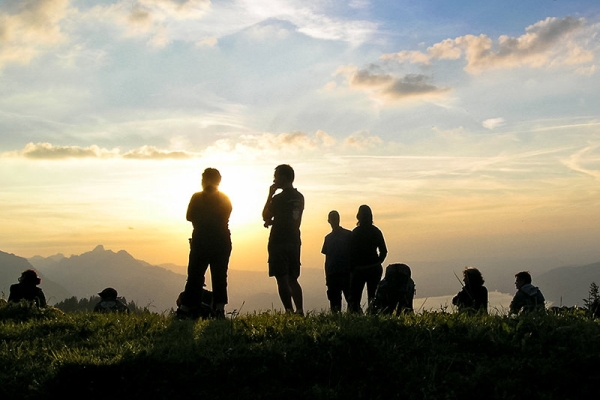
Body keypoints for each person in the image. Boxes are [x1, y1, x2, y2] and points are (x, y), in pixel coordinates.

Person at [178, 167, 232, 319]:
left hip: (201, 240)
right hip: (221, 240)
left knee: (195, 275)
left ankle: (186, 309)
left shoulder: (197, 197)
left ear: (206, 180)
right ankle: (219, 309)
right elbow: (226, 215)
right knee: (220, 275)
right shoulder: (225, 198)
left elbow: (189, 216)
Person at [262, 164, 305, 315]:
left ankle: (289, 311)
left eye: (276, 176)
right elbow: (289, 218)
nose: (274, 179)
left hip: (279, 240)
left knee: (281, 278)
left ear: (284, 177)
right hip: (294, 240)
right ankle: (300, 311)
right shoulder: (299, 197)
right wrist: (275, 220)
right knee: (293, 278)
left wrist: (270, 195)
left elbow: (265, 215)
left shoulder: (279, 198)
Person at [348, 204, 388, 313]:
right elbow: (384, 251)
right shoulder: (376, 231)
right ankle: (373, 318)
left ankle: (356, 320)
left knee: (355, 299)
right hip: (374, 269)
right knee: (373, 298)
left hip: (359, 270)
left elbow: (350, 254)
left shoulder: (355, 233)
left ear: (358, 216)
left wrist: (352, 269)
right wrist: (377, 262)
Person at [321, 210, 352, 312]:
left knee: (351, 302)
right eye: (333, 219)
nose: (334, 221)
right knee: (335, 304)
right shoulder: (329, 238)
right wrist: (327, 276)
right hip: (334, 274)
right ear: (329, 221)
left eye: (335, 219)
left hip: (345, 274)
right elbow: (327, 260)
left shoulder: (348, 235)